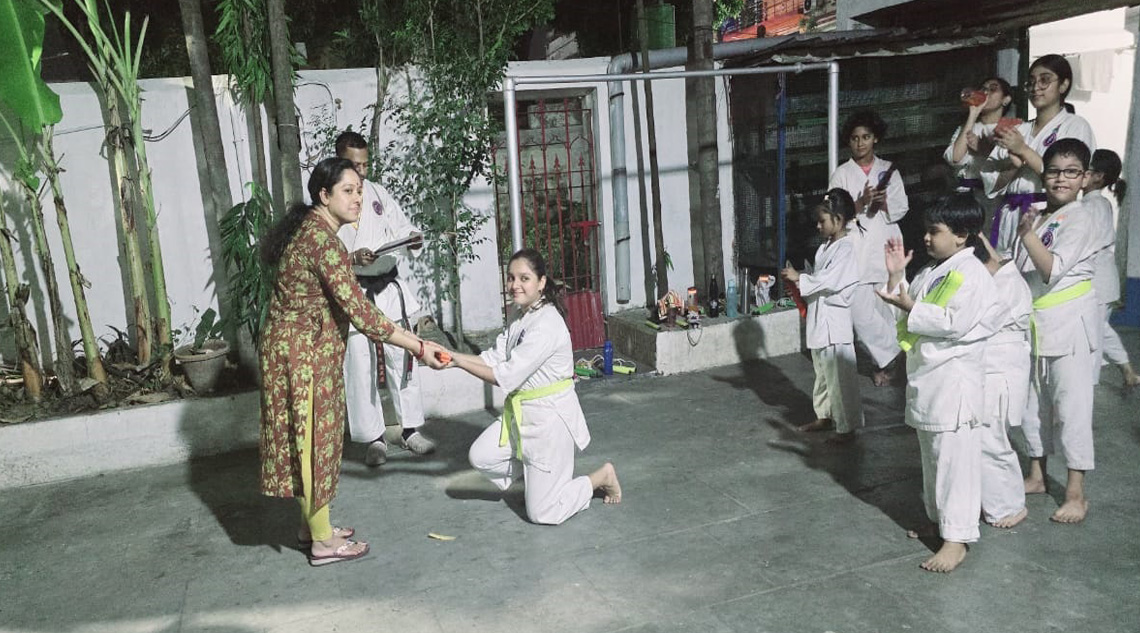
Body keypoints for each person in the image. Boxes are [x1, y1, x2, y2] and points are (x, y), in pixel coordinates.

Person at [258, 158, 447, 566]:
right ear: (324, 196)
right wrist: (417, 345)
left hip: (301, 351)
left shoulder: (315, 230)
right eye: (348, 190)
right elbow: (362, 313)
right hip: (302, 357)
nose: (358, 197)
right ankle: (324, 544)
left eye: (359, 189)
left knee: (312, 441)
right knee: (315, 443)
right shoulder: (322, 241)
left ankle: (313, 528)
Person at [440, 249, 622, 525]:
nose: (515, 285)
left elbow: (506, 376)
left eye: (524, 278)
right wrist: (450, 357)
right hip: (523, 413)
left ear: (542, 283)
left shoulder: (547, 324)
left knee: (542, 513)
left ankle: (601, 477)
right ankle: (537, 474)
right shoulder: (520, 316)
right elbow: (493, 357)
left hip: (550, 421)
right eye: (511, 277)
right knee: (481, 456)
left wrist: (456, 361)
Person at [877, 192, 1000, 573]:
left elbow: (952, 322)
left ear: (962, 235)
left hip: (954, 383)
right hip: (929, 379)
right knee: (933, 460)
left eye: (935, 231)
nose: (927, 239)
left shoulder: (972, 274)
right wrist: (897, 274)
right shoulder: (934, 270)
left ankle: (957, 539)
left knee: (954, 463)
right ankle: (939, 519)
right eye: (927, 231)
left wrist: (911, 307)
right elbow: (906, 304)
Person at [1014, 139, 1109, 524]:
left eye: (1071, 172)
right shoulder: (1045, 215)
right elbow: (1022, 269)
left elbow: (1052, 269)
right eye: (1053, 171)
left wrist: (1026, 235)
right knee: (1032, 407)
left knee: (1071, 409)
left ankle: (1075, 492)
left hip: (1071, 323)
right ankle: (1037, 475)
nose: (1061, 179)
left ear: (1085, 178)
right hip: (1036, 324)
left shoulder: (1083, 216)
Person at [334, 131, 436, 466]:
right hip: (355, 291)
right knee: (360, 365)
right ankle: (373, 438)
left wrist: (413, 239)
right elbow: (324, 253)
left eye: (365, 165)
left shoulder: (378, 192)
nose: (361, 172)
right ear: (339, 162)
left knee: (402, 357)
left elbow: (403, 228)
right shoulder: (330, 200)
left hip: (388, 288)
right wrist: (351, 258)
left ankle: (409, 430)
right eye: (354, 165)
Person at [985, 54, 1096, 258]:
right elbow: (990, 183)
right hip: (1009, 213)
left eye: (1045, 80)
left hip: (1045, 213)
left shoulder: (1075, 126)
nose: (1036, 87)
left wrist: (1024, 150)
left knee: (1035, 274)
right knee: (1004, 276)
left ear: (1063, 85)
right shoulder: (1019, 129)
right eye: (1032, 82)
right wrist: (1013, 165)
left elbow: (1069, 177)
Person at [829, 110, 906, 387]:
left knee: (885, 309)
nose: (860, 143)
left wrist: (882, 203)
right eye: (854, 138)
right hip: (855, 248)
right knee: (858, 311)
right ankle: (895, 355)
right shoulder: (841, 174)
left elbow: (901, 209)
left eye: (866, 137)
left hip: (885, 241)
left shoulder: (889, 170)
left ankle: (884, 366)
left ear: (875, 139)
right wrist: (859, 203)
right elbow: (833, 214)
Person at [781, 189, 863, 444]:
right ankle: (824, 415)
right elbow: (820, 280)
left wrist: (801, 278)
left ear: (838, 220)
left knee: (839, 377)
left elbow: (830, 280)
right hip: (820, 316)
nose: (818, 226)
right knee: (823, 373)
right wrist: (802, 279)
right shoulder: (825, 248)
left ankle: (846, 427)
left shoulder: (847, 249)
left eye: (823, 221)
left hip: (834, 321)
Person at [977, 236, 1031, 529]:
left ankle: (1010, 505)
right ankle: (992, 501)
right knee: (985, 437)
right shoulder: (997, 277)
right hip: (989, 366)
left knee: (992, 437)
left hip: (1000, 369)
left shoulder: (1008, 284)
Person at [1082, 149, 1139, 390]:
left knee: (1092, 338)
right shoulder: (1091, 203)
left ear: (1098, 177)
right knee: (1099, 331)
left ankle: (1090, 386)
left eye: (1085, 169)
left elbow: (1089, 244)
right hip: (1100, 282)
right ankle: (1127, 370)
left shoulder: (1095, 205)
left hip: (1098, 283)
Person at [943, 76, 1014, 224]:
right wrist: (973, 114)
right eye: (983, 89)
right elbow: (955, 158)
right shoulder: (967, 127)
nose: (986, 92)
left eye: (993, 89)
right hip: (962, 197)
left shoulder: (1011, 129)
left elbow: (1010, 164)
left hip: (990, 199)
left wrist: (983, 149)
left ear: (1005, 99)